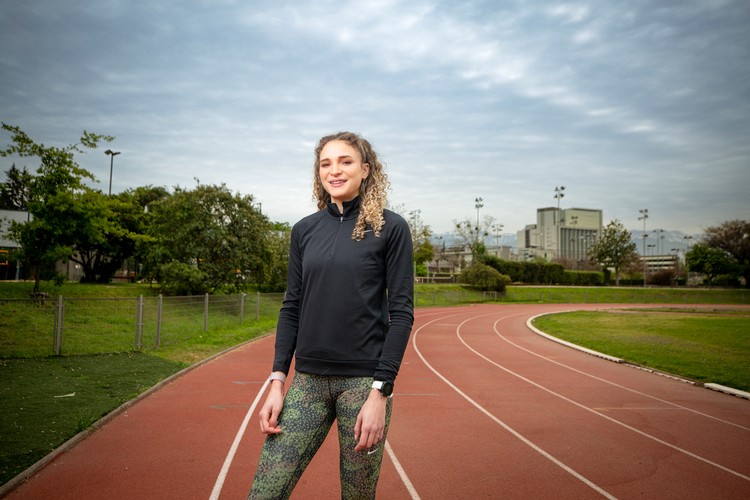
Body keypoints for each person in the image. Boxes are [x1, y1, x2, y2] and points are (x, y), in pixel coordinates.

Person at [248, 132, 414, 499]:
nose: (334, 170)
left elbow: (402, 313)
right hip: (308, 382)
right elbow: (291, 307)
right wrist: (277, 382)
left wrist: (380, 393)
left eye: (345, 161)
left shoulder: (391, 228)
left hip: (363, 385)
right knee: (264, 494)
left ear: (366, 170)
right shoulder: (304, 230)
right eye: (326, 163)